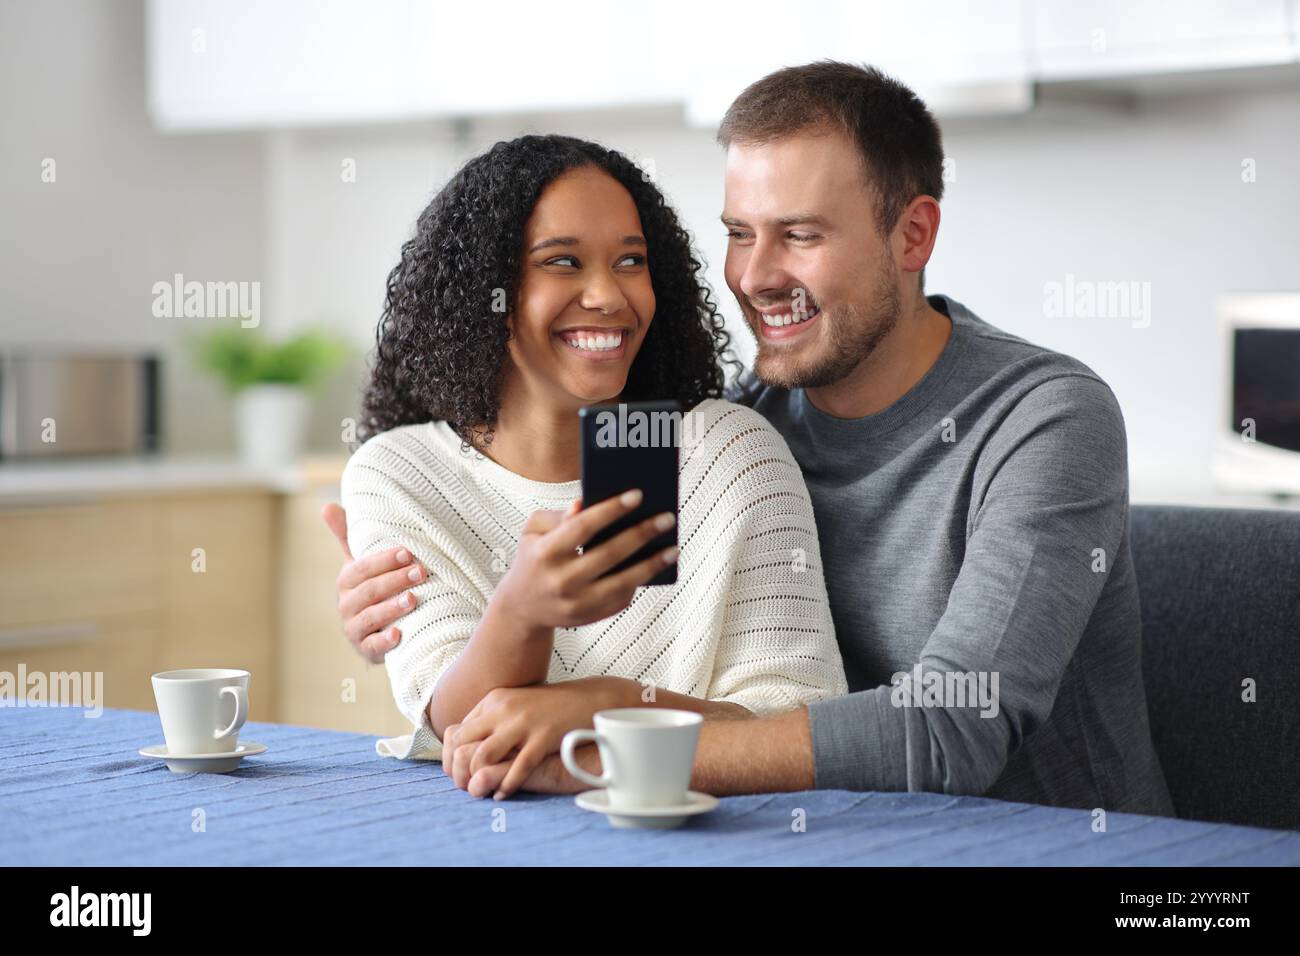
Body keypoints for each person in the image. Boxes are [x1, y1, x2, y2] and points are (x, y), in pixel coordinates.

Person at [326, 62, 1174, 817]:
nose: (756, 277)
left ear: (912, 235)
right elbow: (539, 640)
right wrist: (420, 619)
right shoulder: (739, 423)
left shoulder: (1045, 421)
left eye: (800, 235)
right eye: (739, 233)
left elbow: (952, 729)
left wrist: (605, 725)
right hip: (832, 834)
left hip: (1057, 843)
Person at [335, 133, 847, 797]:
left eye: (630, 261)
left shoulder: (726, 454)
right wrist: (521, 612)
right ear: (487, 290)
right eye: (564, 262)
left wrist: (608, 702)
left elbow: (795, 728)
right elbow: (461, 726)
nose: (609, 295)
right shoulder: (398, 473)